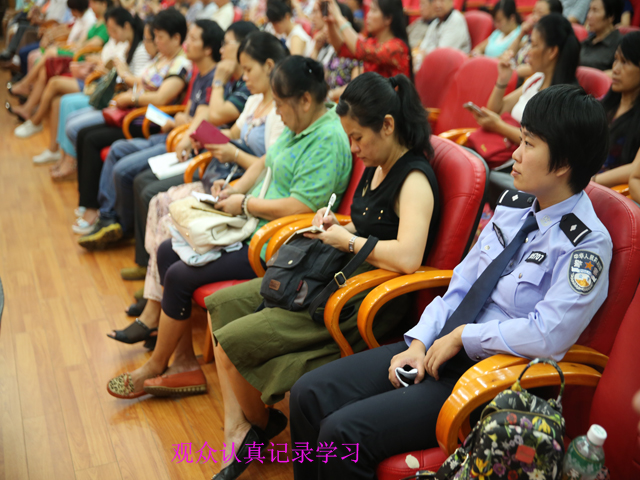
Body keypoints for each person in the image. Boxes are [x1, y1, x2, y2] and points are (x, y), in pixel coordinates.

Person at [290, 84, 613, 480]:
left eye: (528, 144)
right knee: (307, 394)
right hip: (438, 344)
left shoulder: (586, 244)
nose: (514, 153)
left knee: (341, 434)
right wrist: (420, 341)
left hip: (487, 376)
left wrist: (463, 337)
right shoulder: (514, 207)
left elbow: (549, 335)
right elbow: (461, 286)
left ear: (562, 164)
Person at [202, 71, 439, 480]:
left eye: (358, 138)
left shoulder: (413, 178)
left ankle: (252, 428)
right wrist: (336, 225)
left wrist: (348, 241)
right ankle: (249, 426)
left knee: (230, 342)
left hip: (362, 298)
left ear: (387, 125)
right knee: (220, 305)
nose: (353, 148)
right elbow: (368, 225)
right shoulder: (376, 164)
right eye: (348, 137)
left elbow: (407, 257)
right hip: (334, 274)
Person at [105, 56, 352, 401]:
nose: (277, 112)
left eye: (280, 104)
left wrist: (245, 204)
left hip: (277, 245)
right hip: (251, 225)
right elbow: (265, 162)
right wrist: (235, 190)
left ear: (306, 100)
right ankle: (183, 361)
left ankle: (156, 365)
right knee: (166, 251)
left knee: (179, 274)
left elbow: (303, 206)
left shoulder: (326, 139)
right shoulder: (301, 125)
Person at [114, 30, 287, 324]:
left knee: (168, 211)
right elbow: (231, 132)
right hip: (226, 176)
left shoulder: (280, 113)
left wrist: (232, 153)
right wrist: (205, 136)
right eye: (243, 69)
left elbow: (269, 166)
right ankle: (155, 295)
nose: (244, 76)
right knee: (158, 200)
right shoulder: (254, 101)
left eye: (248, 69)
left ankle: (157, 303)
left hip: (243, 183)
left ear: (269, 66)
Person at [121, 21, 257, 286]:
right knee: (139, 179)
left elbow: (216, 115)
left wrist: (218, 81)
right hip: (210, 155)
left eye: (227, 44)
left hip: (225, 169)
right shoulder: (242, 87)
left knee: (149, 190)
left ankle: (153, 273)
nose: (222, 50)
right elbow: (224, 128)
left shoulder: (238, 85)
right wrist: (197, 133)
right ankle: (147, 267)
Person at [73, 19, 223, 242]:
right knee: (115, 148)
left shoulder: (210, 77)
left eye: (192, 39)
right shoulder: (198, 73)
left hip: (174, 136)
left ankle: (115, 223)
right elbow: (191, 114)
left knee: (122, 168)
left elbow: (201, 118)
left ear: (208, 48)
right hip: (169, 129)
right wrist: (183, 120)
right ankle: (107, 216)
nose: (187, 44)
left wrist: (183, 123)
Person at [25, 8, 149, 167]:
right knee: (58, 100)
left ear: (126, 26)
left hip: (113, 94)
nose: (111, 34)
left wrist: (118, 72)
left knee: (64, 100)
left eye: (113, 30)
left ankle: (68, 159)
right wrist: (107, 68)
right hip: (106, 86)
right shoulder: (126, 45)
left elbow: (135, 83)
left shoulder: (139, 49)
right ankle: (60, 154)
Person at [470, 14, 579, 151]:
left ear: (552, 51)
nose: (528, 52)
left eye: (533, 45)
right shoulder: (536, 79)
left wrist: (499, 126)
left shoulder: (564, 98)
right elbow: (495, 111)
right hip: (505, 150)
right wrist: (503, 79)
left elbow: (542, 143)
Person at [7, 0, 109, 132]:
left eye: (94, 2)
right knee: (43, 67)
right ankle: (28, 107)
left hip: (81, 59)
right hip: (79, 53)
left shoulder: (102, 24)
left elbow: (90, 45)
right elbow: (81, 40)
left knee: (49, 54)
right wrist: (69, 45)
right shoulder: (97, 22)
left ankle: (26, 86)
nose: (91, 5)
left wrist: (73, 47)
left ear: (104, 4)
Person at [592, 32, 640, 188]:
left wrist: (591, 182)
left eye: (624, 62)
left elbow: (635, 169)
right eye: (616, 60)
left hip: (612, 191)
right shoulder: (605, 104)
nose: (615, 69)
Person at [325, 0, 412, 78]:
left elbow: (360, 49)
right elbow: (341, 49)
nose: (368, 15)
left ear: (388, 18)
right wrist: (330, 23)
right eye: (369, 10)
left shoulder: (397, 48)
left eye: (373, 10)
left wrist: (339, 17)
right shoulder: (373, 42)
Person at [309, 0, 361, 101]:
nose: (326, 30)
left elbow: (357, 86)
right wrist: (315, 49)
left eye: (330, 24)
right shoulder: (332, 51)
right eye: (326, 24)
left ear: (343, 22)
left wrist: (330, 95)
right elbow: (315, 77)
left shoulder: (356, 51)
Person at [507, 0, 564, 81]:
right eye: (534, 12)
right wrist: (520, 35)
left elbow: (535, 68)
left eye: (540, 14)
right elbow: (509, 54)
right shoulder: (531, 37)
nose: (534, 18)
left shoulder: (552, 43)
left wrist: (509, 71)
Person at [413, 0, 471, 70]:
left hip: (453, 68)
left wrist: (423, 56)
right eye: (435, 1)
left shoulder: (456, 20)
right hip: (434, 65)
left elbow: (441, 55)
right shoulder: (436, 22)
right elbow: (423, 47)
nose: (437, 5)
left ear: (451, 2)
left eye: (442, 1)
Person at [580, 0, 624, 74]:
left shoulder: (621, 45)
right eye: (589, 10)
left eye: (595, 10)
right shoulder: (585, 42)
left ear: (611, 16)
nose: (588, 16)